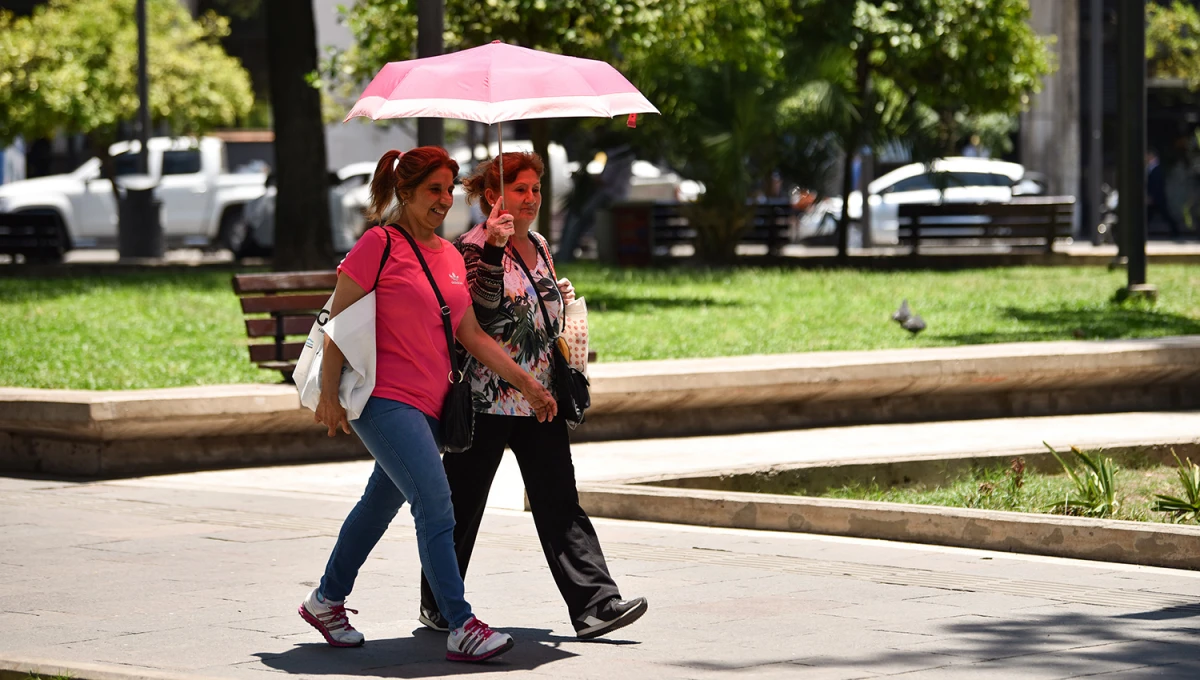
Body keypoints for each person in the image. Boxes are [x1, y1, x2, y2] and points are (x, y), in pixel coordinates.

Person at [299, 146, 559, 663]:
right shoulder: (378, 243)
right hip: (383, 398)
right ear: (406, 192)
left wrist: (526, 383)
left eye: (449, 188)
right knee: (436, 502)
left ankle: (326, 600)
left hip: (433, 403)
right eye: (433, 190)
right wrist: (329, 393)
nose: (445, 199)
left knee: (380, 503)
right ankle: (461, 624)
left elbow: (473, 335)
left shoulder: (447, 255)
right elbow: (338, 323)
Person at [416, 151, 648, 640]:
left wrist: (556, 294)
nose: (530, 199)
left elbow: (535, 313)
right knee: (461, 505)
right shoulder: (468, 249)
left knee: (560, 501)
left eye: (536, 190)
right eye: (519, 190)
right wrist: (497, 250)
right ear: (491, 197)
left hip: (539, 398)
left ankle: (596, 605)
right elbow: (484, 317)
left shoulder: (540, 244)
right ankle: (437, 603)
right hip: (487, 399)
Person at [1147, 149, 1181, 239]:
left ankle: (1176, 231)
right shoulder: (1151, 168)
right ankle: (1175, 231)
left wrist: (1152, 196)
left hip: (1158, 197)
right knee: (1148, 216)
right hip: (1157, 197)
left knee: (1164, 215)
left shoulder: (1157, 169)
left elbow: (1157, 185)